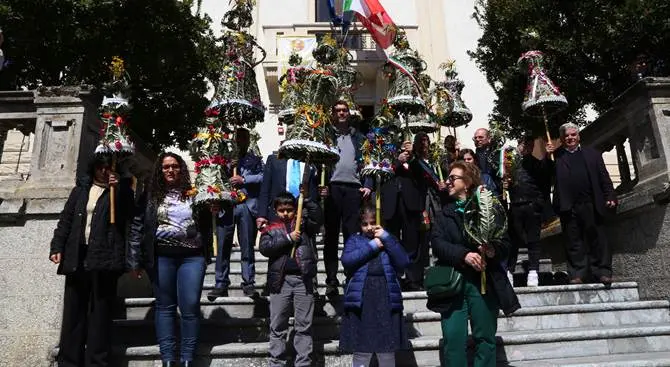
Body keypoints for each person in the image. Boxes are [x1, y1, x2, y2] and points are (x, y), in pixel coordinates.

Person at [128, 152, 215, 367]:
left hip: (192, 257)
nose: (170, 170)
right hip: (161, 257)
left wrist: (214, 209)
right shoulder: (150, 195)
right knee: (165, 307)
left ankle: (187, 357)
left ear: (181, 169)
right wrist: (135, 259)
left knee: (190, 305)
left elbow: (207, 222)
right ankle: (168, 358)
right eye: (166, 167)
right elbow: (138, 226)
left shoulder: (195, 194)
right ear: (160, 170)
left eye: (174, 166)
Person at [429, 161, 519, 366]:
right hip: (453, 283)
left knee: (486, 337)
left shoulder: (487, 209)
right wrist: (464, 255)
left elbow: (505, 242)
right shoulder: (445, 213)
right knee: (453, 338)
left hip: (483, 282)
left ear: (468, 182)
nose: (448, 182)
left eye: (453, 178)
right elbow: (437, 244)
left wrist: (492, 249)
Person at [50, 155, 134, 367]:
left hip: (105, 256)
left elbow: (130, 217)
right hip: (77, 255)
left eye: (109, 168)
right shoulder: (81, 189)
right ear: (94, 168)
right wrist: (57, 246)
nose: (105, 172)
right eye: (101, 168)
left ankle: (97, 361)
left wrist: (120, 189)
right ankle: (69, 361)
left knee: (100, 314)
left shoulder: (121, 191)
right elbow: (66, 219)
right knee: (73, 313)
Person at [339, 203, 409, 367]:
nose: (369, 227)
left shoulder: (389, 239)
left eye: (373, 222)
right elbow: (347, 260)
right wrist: (373, 246)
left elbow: (403, 261)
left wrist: (386, 238)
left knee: (386, 348)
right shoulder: (355, 240)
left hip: (385, 297)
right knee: (362, 348)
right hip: (362, 298)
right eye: (365, 224)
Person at [548, 123, 616, 285]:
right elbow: (545, 175)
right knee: (574, 242)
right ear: (562, 139)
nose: (570, 138)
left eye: (573, 135)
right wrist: (546, 156)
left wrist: (610, 195)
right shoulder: (555, 157)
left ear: (578, 137)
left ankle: (602, 272)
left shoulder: (592, 154)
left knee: (598, 239)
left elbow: (604, 178)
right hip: (568, 206)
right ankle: (577, 274)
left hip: (591, 203)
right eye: (566, 136)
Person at [259, 191, 323, 367]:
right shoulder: (270, 228)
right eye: (281, 210)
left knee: (304, 326)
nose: (286, 213)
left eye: (289, 209)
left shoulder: (303, 225)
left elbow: (317, 219)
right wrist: (288, 238)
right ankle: (276, 362)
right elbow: (265, 248)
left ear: (296, 209)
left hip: (303, 280)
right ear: (275, 210)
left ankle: (303, 363)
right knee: (278, 325)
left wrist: (307, 200)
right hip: (281, 282)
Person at [320, 99, 372, 297]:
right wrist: (319, 188)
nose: (341, 113)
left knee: (352, 236)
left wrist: (367, 185)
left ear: (349, 114)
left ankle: (352, 276)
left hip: (353, 190)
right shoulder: (326, 137)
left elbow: (368, 161)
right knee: (331, 237)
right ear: (333, 113)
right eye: (338, 110)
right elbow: (317, 163)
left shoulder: (359, 138)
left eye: (344, 110)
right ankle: (331, 281)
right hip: (332, 189)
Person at [209, 128, 263, 298]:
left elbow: (264, 176)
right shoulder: (224, 159)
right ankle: (221, 283)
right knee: (223, 246)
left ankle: (248, 282)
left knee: (247, 247)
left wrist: (244, 180)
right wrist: (226, 167)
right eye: (237, 138)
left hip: (246, 206)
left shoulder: (256, 160)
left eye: (244, 138)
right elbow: (213, 177)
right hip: (227, 206)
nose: (240, 141)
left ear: (248, 141)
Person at [503, 136, 553, 287]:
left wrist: (548, 156)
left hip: (532, 206)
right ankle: (509, 271)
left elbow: (546, 175)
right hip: (516, 206)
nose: (526, 147)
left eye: (529, 145)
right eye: (524, 144)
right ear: (518, 145)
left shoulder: (537, 163)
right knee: (513, 241)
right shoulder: (510, 164)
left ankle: (533, 271)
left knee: (533, 240)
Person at [382, 135, 428, 291]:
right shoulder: (385, 151)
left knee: (412, 242)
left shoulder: (417, 157)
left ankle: (413, 279)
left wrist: (412, 157)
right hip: (391, 202)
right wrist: (398, 161)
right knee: (392, 241)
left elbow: (424, 175)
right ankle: (394, 276)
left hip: (411, 203)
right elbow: (381, 171)